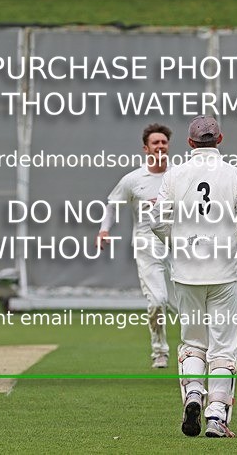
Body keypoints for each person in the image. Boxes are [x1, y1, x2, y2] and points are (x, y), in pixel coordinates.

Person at [151, 115, 237, 438]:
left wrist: (176, 244)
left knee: (193, 341)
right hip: (223, 272)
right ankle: (216, 415)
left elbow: (156, 220)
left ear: (190, 143)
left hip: (186, 272)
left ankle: (194, 393)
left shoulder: (174, 175)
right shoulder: (235, 175)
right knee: (223, 347)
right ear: (219, 140)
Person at [96, 123, 176, 369]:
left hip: (178, 247)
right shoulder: (133, 179)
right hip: (147, 247)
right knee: (157, 301)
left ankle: (197, 352)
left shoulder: (178, 175)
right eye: (155, 142)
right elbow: (112, 206)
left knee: (185, 305)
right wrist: (104, 230)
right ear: (146, 148)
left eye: (164, 142)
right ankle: (159, 351)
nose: (160, 146)